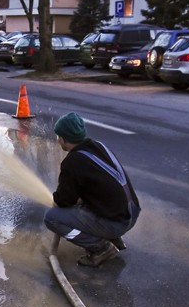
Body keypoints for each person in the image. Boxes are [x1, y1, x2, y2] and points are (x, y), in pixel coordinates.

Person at [44, 112, 141, 267]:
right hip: (132, 214)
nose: (57, 140)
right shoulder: (99, 147)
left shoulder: (73, 161)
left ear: (63, 138)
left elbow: (64, 201)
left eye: (58, 137)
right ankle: (112, 237)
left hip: (117, 223)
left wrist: (58, 200)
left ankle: (101, 248)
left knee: (52, 218)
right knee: (83, 203)